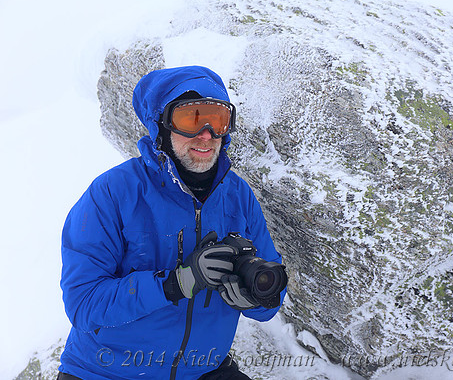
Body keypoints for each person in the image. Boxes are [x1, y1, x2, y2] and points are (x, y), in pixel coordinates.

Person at [58, 65, 287, 379]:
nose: (206, 134)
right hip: (106, 371)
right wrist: (175, 283)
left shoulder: (237, 196)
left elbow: (271, 292)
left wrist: (258, 297)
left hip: (204, 369)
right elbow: (83, 305)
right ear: (160, 126)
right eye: (190, 118)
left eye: (217, 119)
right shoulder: (113, 193)